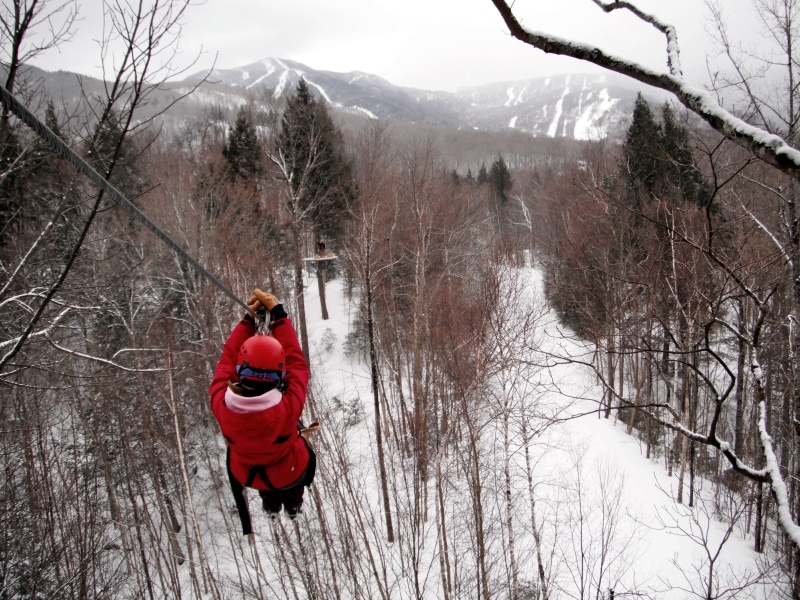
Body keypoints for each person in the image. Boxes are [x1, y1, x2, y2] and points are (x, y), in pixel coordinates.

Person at [209, 289, 313, 530]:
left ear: (241, 371)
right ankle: (293, 508)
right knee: (291, 485)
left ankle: (271, 508)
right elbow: (297, 365)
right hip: (291, 471)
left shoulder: (222, 404)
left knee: (266, 486)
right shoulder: (286, 408)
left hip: (250, 475)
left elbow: (227, 362)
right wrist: (278, 316)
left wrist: (248, 321)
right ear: (279, 375)